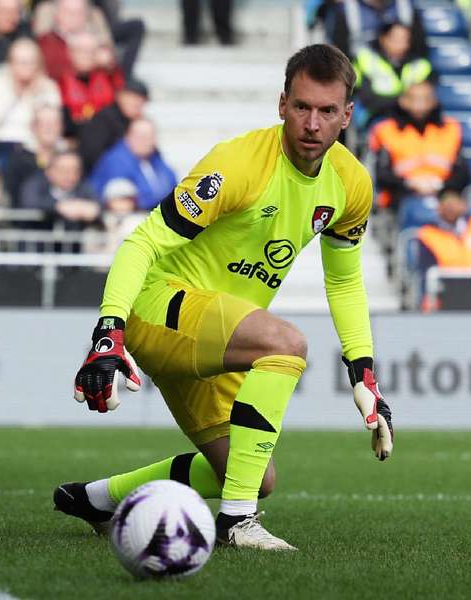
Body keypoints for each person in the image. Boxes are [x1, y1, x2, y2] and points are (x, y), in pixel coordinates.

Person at [53, 44, 394, 550]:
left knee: (255, 476)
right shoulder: (238, 164)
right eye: (302, 107)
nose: (312, 124)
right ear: (282, 105)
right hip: (160, 306)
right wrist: (110, 331)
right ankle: (237, 523)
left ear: (347, 116)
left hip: (217, 331)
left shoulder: (351, 185)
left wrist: (363, 374)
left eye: (327, 112)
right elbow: (141, 242)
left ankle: (98, 499)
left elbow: (344, 281)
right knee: (286, 343)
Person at [368, 80, 469, 212]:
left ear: (434, 101)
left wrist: (439, 185)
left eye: (426, 99)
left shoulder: (451, 128)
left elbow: (462, 173)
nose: (420, 105)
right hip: (400, 198)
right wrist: (410, 183)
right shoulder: (385, 130)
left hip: (443, 196)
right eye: (415, 99)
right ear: (403, 101)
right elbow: (382, 175)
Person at [0, 37, 62, 169]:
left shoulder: (47, 86)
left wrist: (35, 96)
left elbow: (53, 124)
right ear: (10, 62)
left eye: (31, 62)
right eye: (21, 62)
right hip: (3, 147)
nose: (26, 68)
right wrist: (14, 94)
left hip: (38, 149)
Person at [353, 19, 434, 127]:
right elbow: (366, 98)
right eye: (396, 39)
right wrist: (401, 101)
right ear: (383, 39)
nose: (401, 45)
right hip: (376, 116)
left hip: (412, 118)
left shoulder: (421, 65)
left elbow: (428, 99)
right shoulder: (365, 59)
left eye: (405, 40)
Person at [89, 117, 177, 210]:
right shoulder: (116, 160)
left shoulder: (155, 158)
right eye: (142, 137)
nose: (148, 142)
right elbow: (124, 199)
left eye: (151, 137)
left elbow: (172, 185)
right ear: (128, 137)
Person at [18, 149, 101, 229]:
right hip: (39, 240)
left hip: (73, 241)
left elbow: (98, 205)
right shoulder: (36, 184)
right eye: (63, 169)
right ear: (49, 171)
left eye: (74, 170)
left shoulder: (83, 187)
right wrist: (58, 206)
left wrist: (92, 209)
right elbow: (30, 202)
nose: (69, 175)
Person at [77, 77, 147, 170]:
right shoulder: (103, 120)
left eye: (142, 100)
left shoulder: (137, 123)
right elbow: (92, 155)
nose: (137, 103)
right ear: (120, 96)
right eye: (133, 98)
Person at [4, 104, 68, 202]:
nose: (49, 128)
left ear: (62, 127)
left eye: (54, 123)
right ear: (33, 127)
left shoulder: (71, 158)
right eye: (43, 123)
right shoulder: (19, 161)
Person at [38, 0, 114, 81]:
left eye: (79, 12)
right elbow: (54, 71)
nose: (75, 17)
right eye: (69, 12)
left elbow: (113, 71)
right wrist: (92, 61)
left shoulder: (98, 40)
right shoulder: (48, 41)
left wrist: (107, 63)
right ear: (57, 14)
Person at [58, 32, 120, 125]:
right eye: (81, 50)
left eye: (92, 51)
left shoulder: (108, 76)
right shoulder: (61, 80)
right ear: (70, 52)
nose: (86, 55)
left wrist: (109, 66)